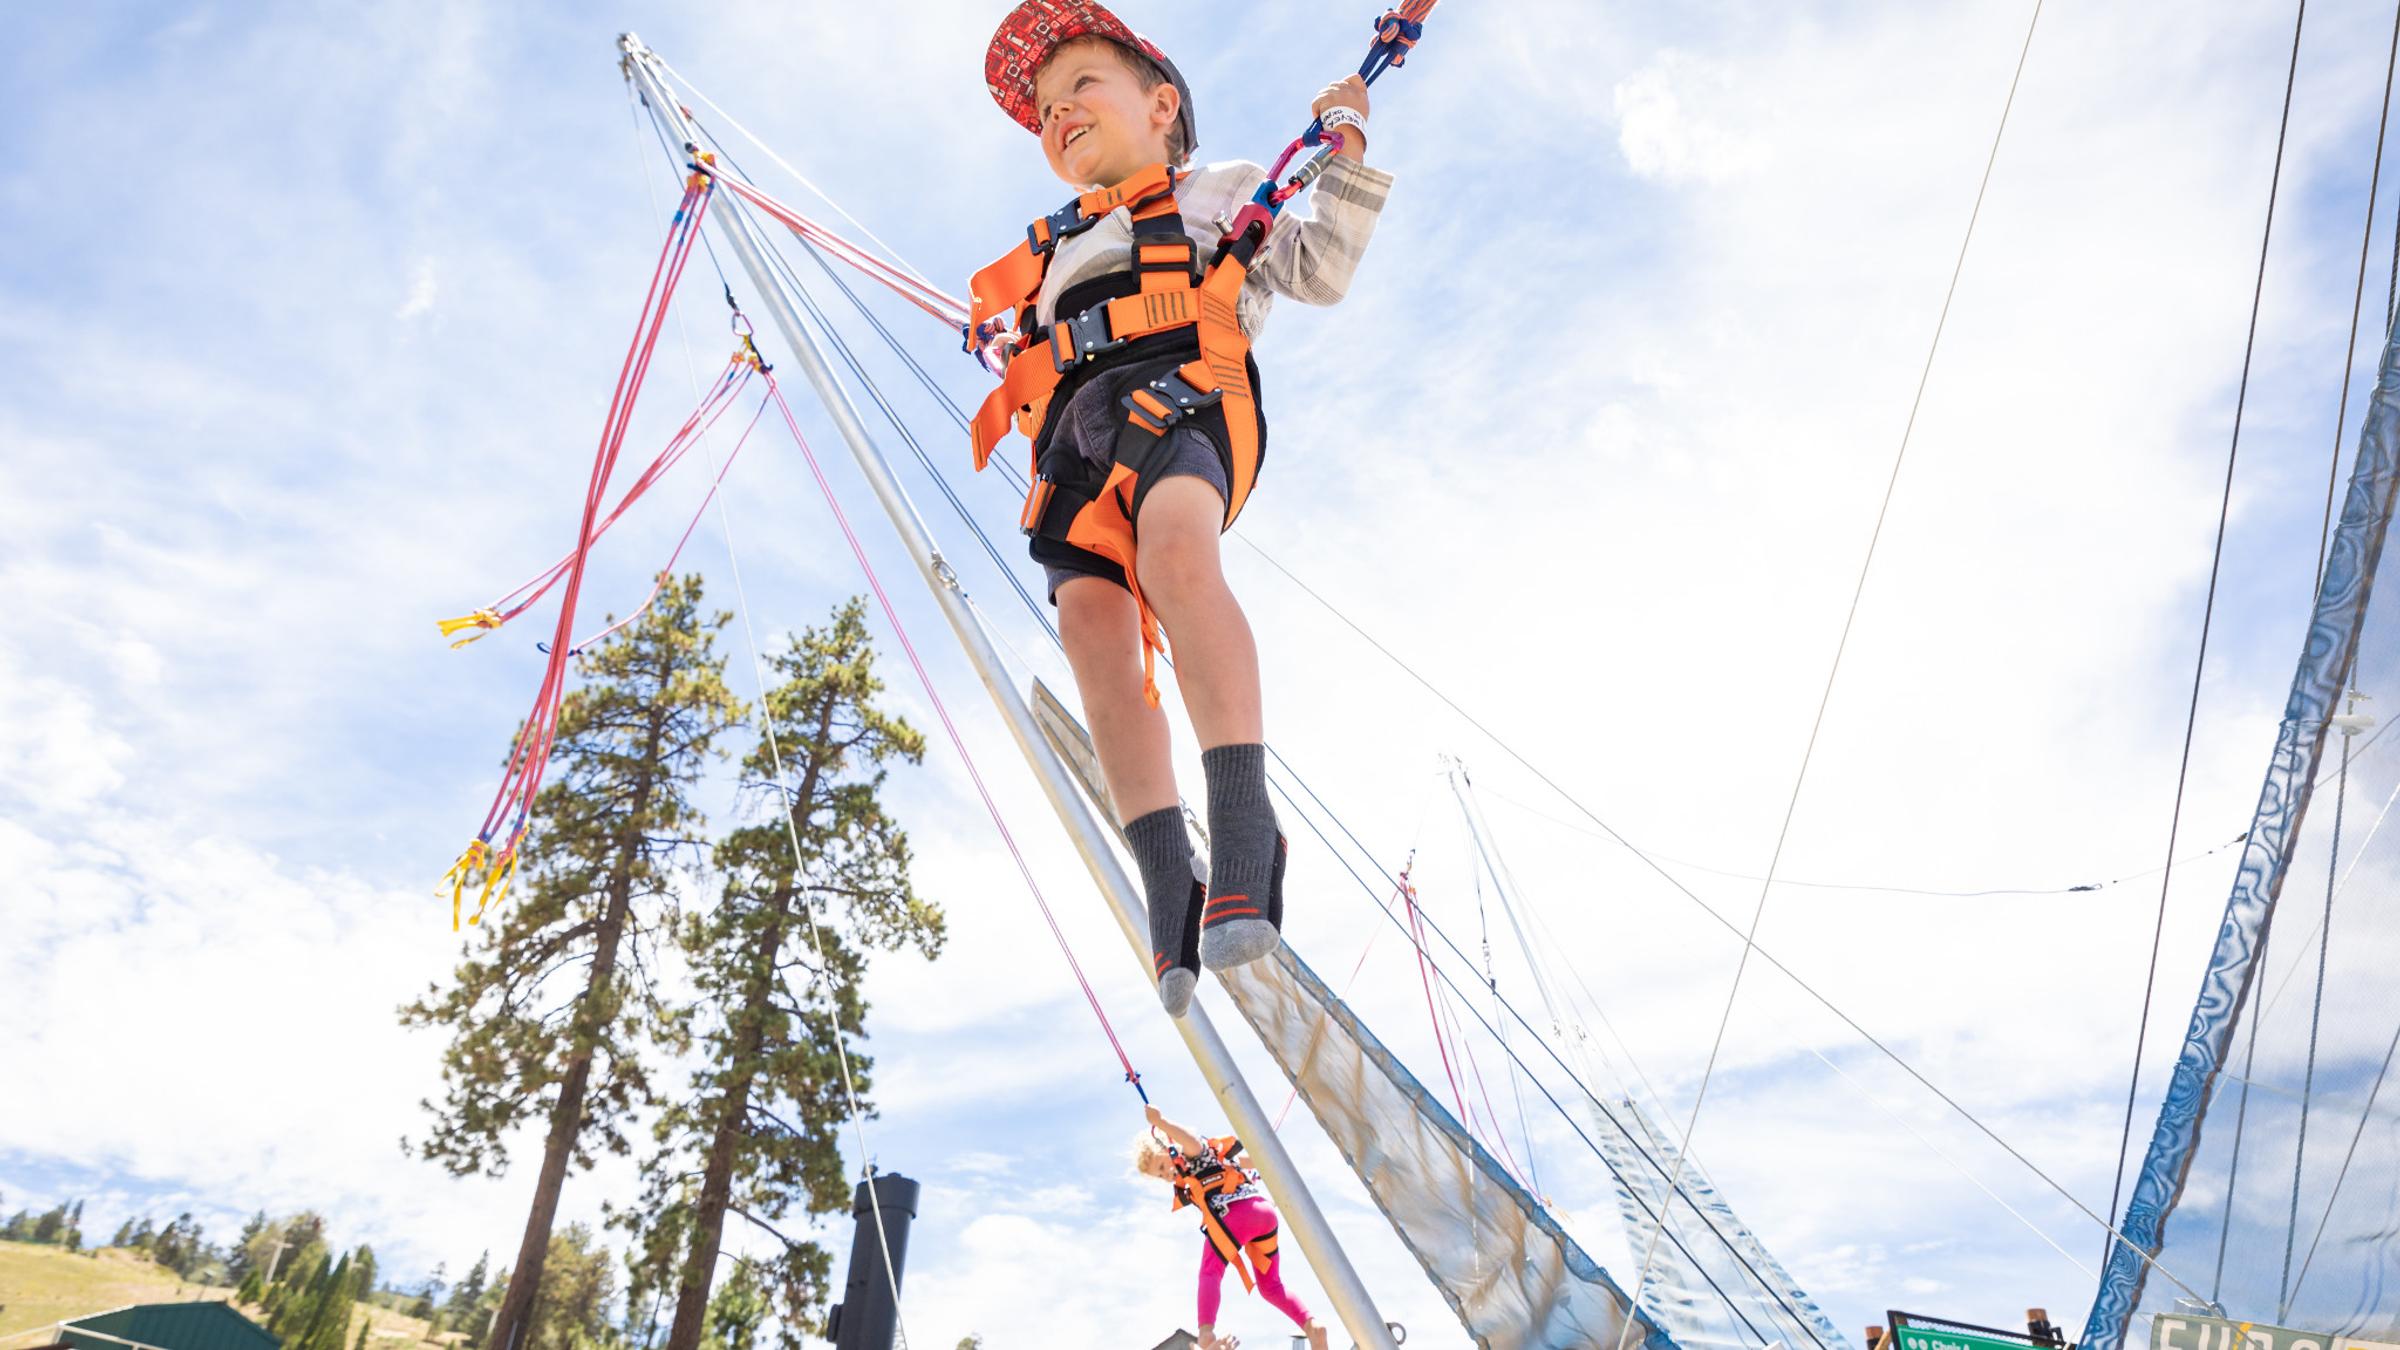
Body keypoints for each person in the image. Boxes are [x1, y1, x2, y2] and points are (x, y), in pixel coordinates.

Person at [974, 0, 1394, 1014]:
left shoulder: (1222, 189)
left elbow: (1319, 272)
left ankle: (1245, 822)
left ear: (1161, 105)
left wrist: (1343, 153)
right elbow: (1038, 356)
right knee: (1093, 640)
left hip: (1186, 394)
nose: (1057, 112)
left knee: (1173, 554)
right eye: (1041, 110)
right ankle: (1172, 871)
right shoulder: (1046, 253)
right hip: (1077, 442)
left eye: (1081, 86)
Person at [1137, 1104, 1327, 1350]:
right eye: (1161, 1176)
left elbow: (1191, 1140)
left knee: (1210, 1271)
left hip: (1235, 1216)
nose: (1167, 1176)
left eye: (1163, 1167)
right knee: (1270, 1287)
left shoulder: (1195, 1154)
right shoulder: (1218, 1157)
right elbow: (1251, 1161)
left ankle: (1205, 1333)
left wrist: (1162, 1123)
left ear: (1169, 1146)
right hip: (1263, 1215)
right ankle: (1311, 1327)